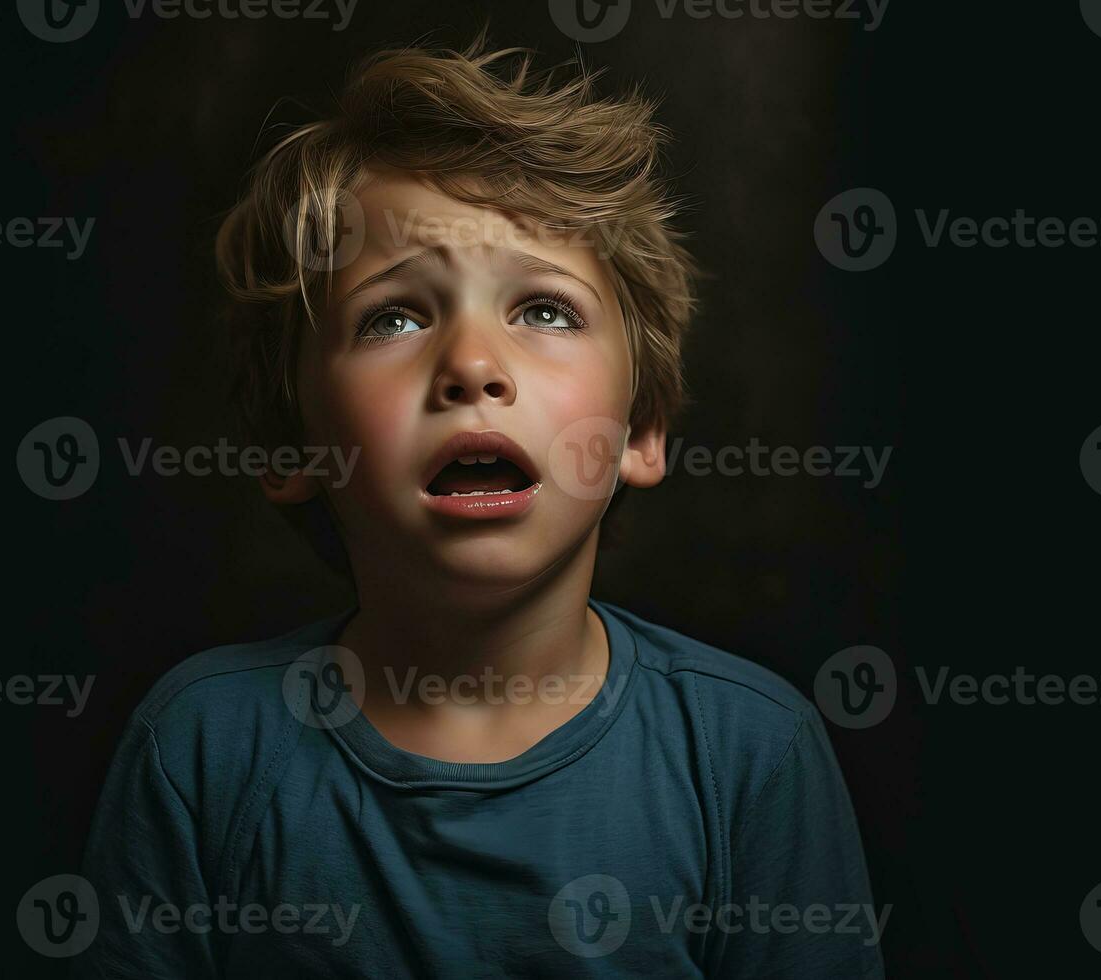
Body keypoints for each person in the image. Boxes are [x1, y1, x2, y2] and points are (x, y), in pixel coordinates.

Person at [76, 35, 884, 978]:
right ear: (293, 445)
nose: (470, 365)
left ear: (642, 430)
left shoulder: (752, 753)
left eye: (544, 310)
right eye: (394, 317)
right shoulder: (202, 752)